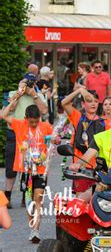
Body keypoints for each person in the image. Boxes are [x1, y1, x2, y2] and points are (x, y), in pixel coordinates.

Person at [1, 104, 53, 243]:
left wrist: (55, 141)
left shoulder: (45, 126)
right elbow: (3, 115)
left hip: (41, 170)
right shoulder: (19, 125)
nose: (34, 124)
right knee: (30, 202)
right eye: (31, 122)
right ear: (26, 119)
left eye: (37, 121)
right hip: (26, 171)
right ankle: (32, 227)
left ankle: (36, 230)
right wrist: (16, 97)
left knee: (38, 199)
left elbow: (54, 139)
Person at [4, 75, 48, 209]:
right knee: (11, 166)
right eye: (26, 82)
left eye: (31, 82)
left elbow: (44, 111)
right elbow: (9, 109)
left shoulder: (38, 95)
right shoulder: (13, 93)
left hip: (33, 134)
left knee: (31, 165)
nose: (28, 85)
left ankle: (26, 196)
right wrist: (20, 92)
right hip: (15, 131)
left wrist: (33, 94)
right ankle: (8, 196)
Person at [62, 88, 108, 193]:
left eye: (96, 101)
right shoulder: (78, 117)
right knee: (81, 200)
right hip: (80, 169)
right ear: (83, 104)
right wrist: (79, 90)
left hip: (98, 169)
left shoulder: (104, 122)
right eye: (89, 101)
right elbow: (64, 103)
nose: (93, 104)